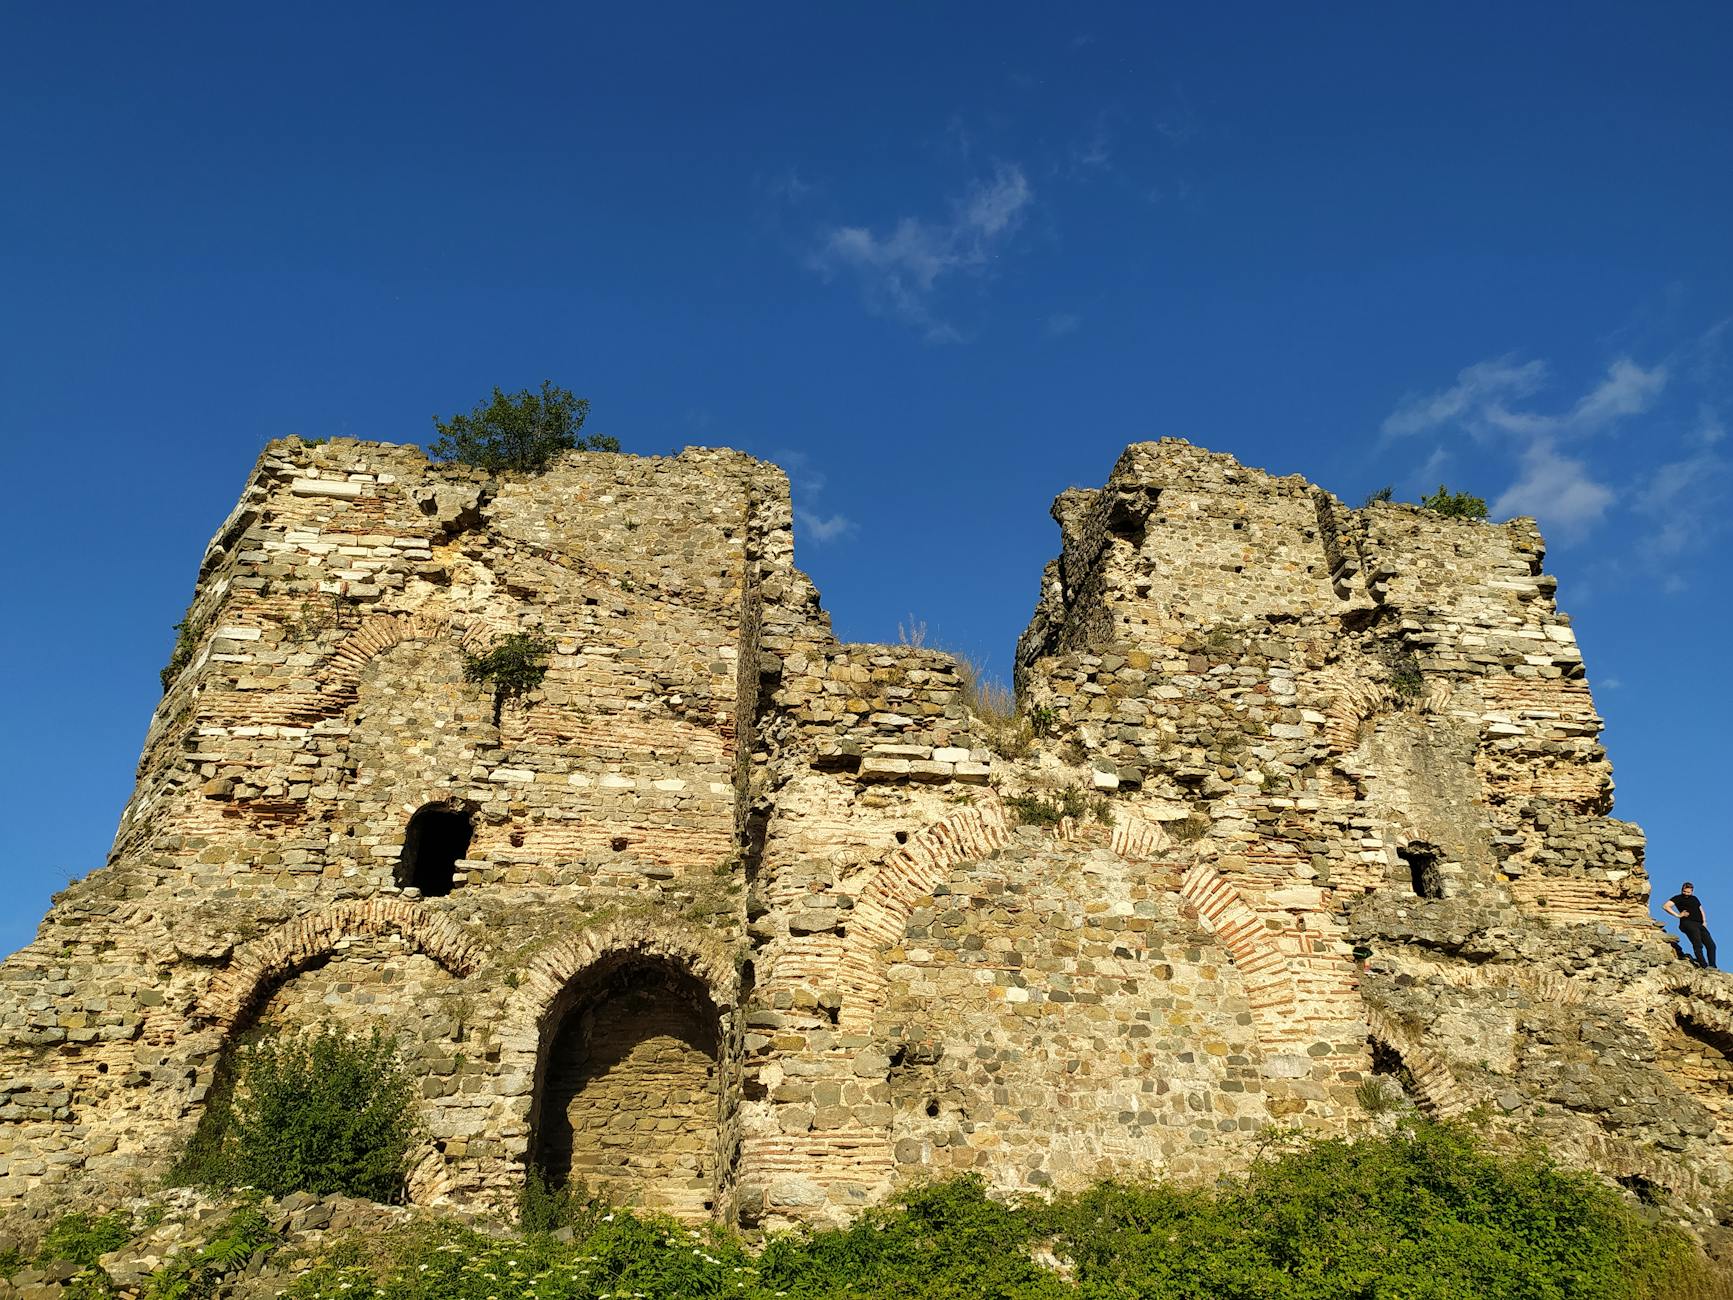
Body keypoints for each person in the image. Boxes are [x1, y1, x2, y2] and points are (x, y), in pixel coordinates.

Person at [1663, 882, 1717, 970]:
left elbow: (1701, 910)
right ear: (1682, 890)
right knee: (1698, 944)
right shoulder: (1678, 898)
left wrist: (1704, 921)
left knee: (1711, 945)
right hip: (1688, 923)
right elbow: (1665, 906)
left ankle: (1713, 966)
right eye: (1684, 891)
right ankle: (1704, 966)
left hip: (1699, 924)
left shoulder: (1694, 898)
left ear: (1692, 891)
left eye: (1688, 892)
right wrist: (1678, 915)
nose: (1686, 894)